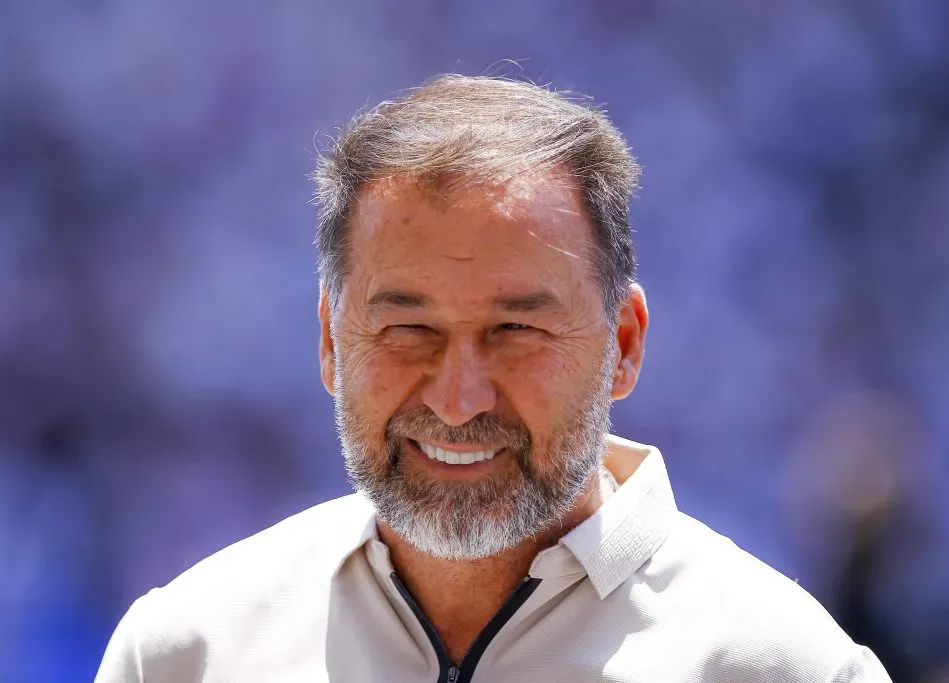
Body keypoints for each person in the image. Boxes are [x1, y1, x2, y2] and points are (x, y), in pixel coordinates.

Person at [95, 74, 892, 682]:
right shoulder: (186, 652)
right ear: (330, 341)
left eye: (516, 331)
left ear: (624, 343)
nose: (458, 399)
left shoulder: (785, 665)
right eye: (409, 330)